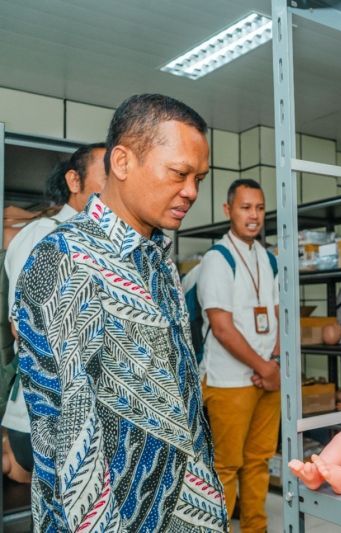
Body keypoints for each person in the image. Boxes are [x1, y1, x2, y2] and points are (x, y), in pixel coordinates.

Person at [13, 94, 226, 531]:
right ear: (123, 162)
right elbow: (69, 436)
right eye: (180, 173)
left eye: (198, 178)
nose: (191, 191)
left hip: (182, 508)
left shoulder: (156, 259)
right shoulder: (66, 259)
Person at [1, 142, 106, 484]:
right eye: (107, 173)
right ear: (74, 181)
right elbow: (28, 326)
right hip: (48, 415)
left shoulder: (100, 239)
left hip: (90, 412)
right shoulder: (43, 237)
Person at [197, 178, 280, 532]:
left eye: (260, 208)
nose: (254, 215)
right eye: (246, 207)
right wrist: (265, 366)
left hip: (266, 377)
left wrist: (273, 362)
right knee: (226, 466)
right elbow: (222, 327)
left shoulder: (268, 258)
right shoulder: (218, 259)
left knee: (259, 461)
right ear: (228, 210)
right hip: (229, 380)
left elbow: (277, 314)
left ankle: (255, 528)